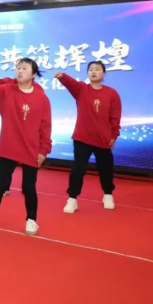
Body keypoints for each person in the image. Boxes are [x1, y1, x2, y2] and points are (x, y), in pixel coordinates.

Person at [0, 58, 52, 237]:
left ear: (33, 74)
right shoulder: (7, 91)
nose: (19, 71)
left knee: (28, 187)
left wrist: (44, 150)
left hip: (31, 148)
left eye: (24, 68)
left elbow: (46, 126)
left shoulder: (42, 98)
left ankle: (31, 220)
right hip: (9, 146)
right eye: (18, 68)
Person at [56, 61, 122, 213]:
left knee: (106, 169)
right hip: (82, 137)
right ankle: (72, 199)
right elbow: (71, 83)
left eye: (97, 69)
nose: (93, 72)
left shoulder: (112, 93)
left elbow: (115, 117)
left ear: (104, 73)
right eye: (90, 69)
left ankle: (108, 195)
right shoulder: (82, 89)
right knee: (78, 170)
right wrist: (62, 76)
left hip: (103, 138)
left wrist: (114, 135)